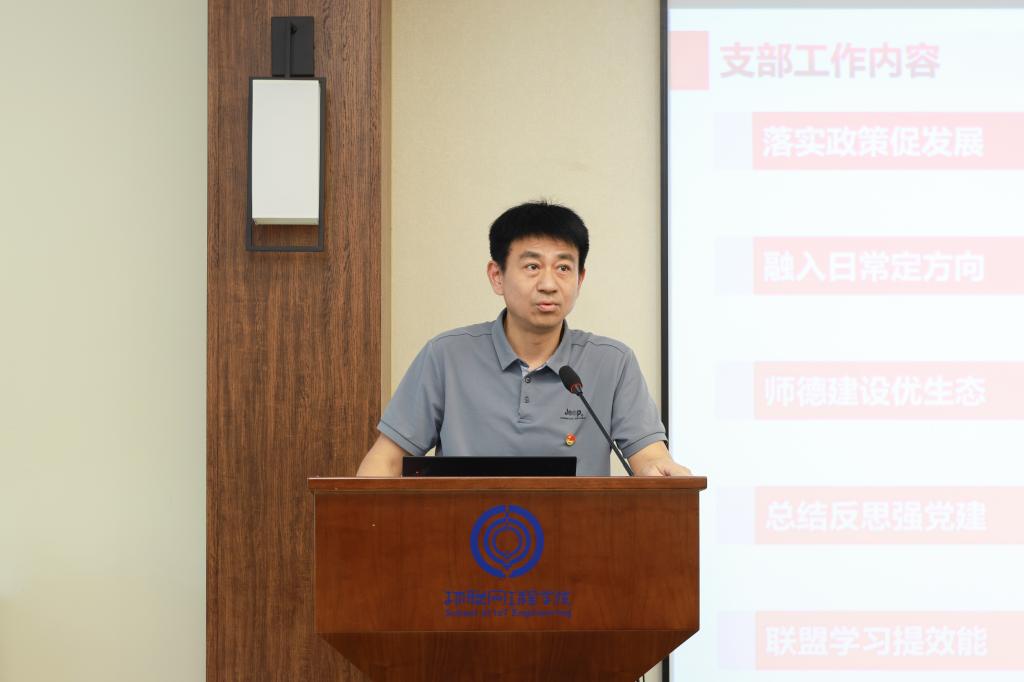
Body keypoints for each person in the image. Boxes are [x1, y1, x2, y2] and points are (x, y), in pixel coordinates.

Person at [356, 201, 690, 477]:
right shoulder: (446, 355)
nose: (549, 284)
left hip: (579, 535)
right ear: (497, 276)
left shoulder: (612, 362)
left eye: (563, 268)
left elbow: (650, 458)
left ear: (580, 279)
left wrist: (661, 473)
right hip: (464, 536)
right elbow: (386, 461)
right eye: (532, 267)